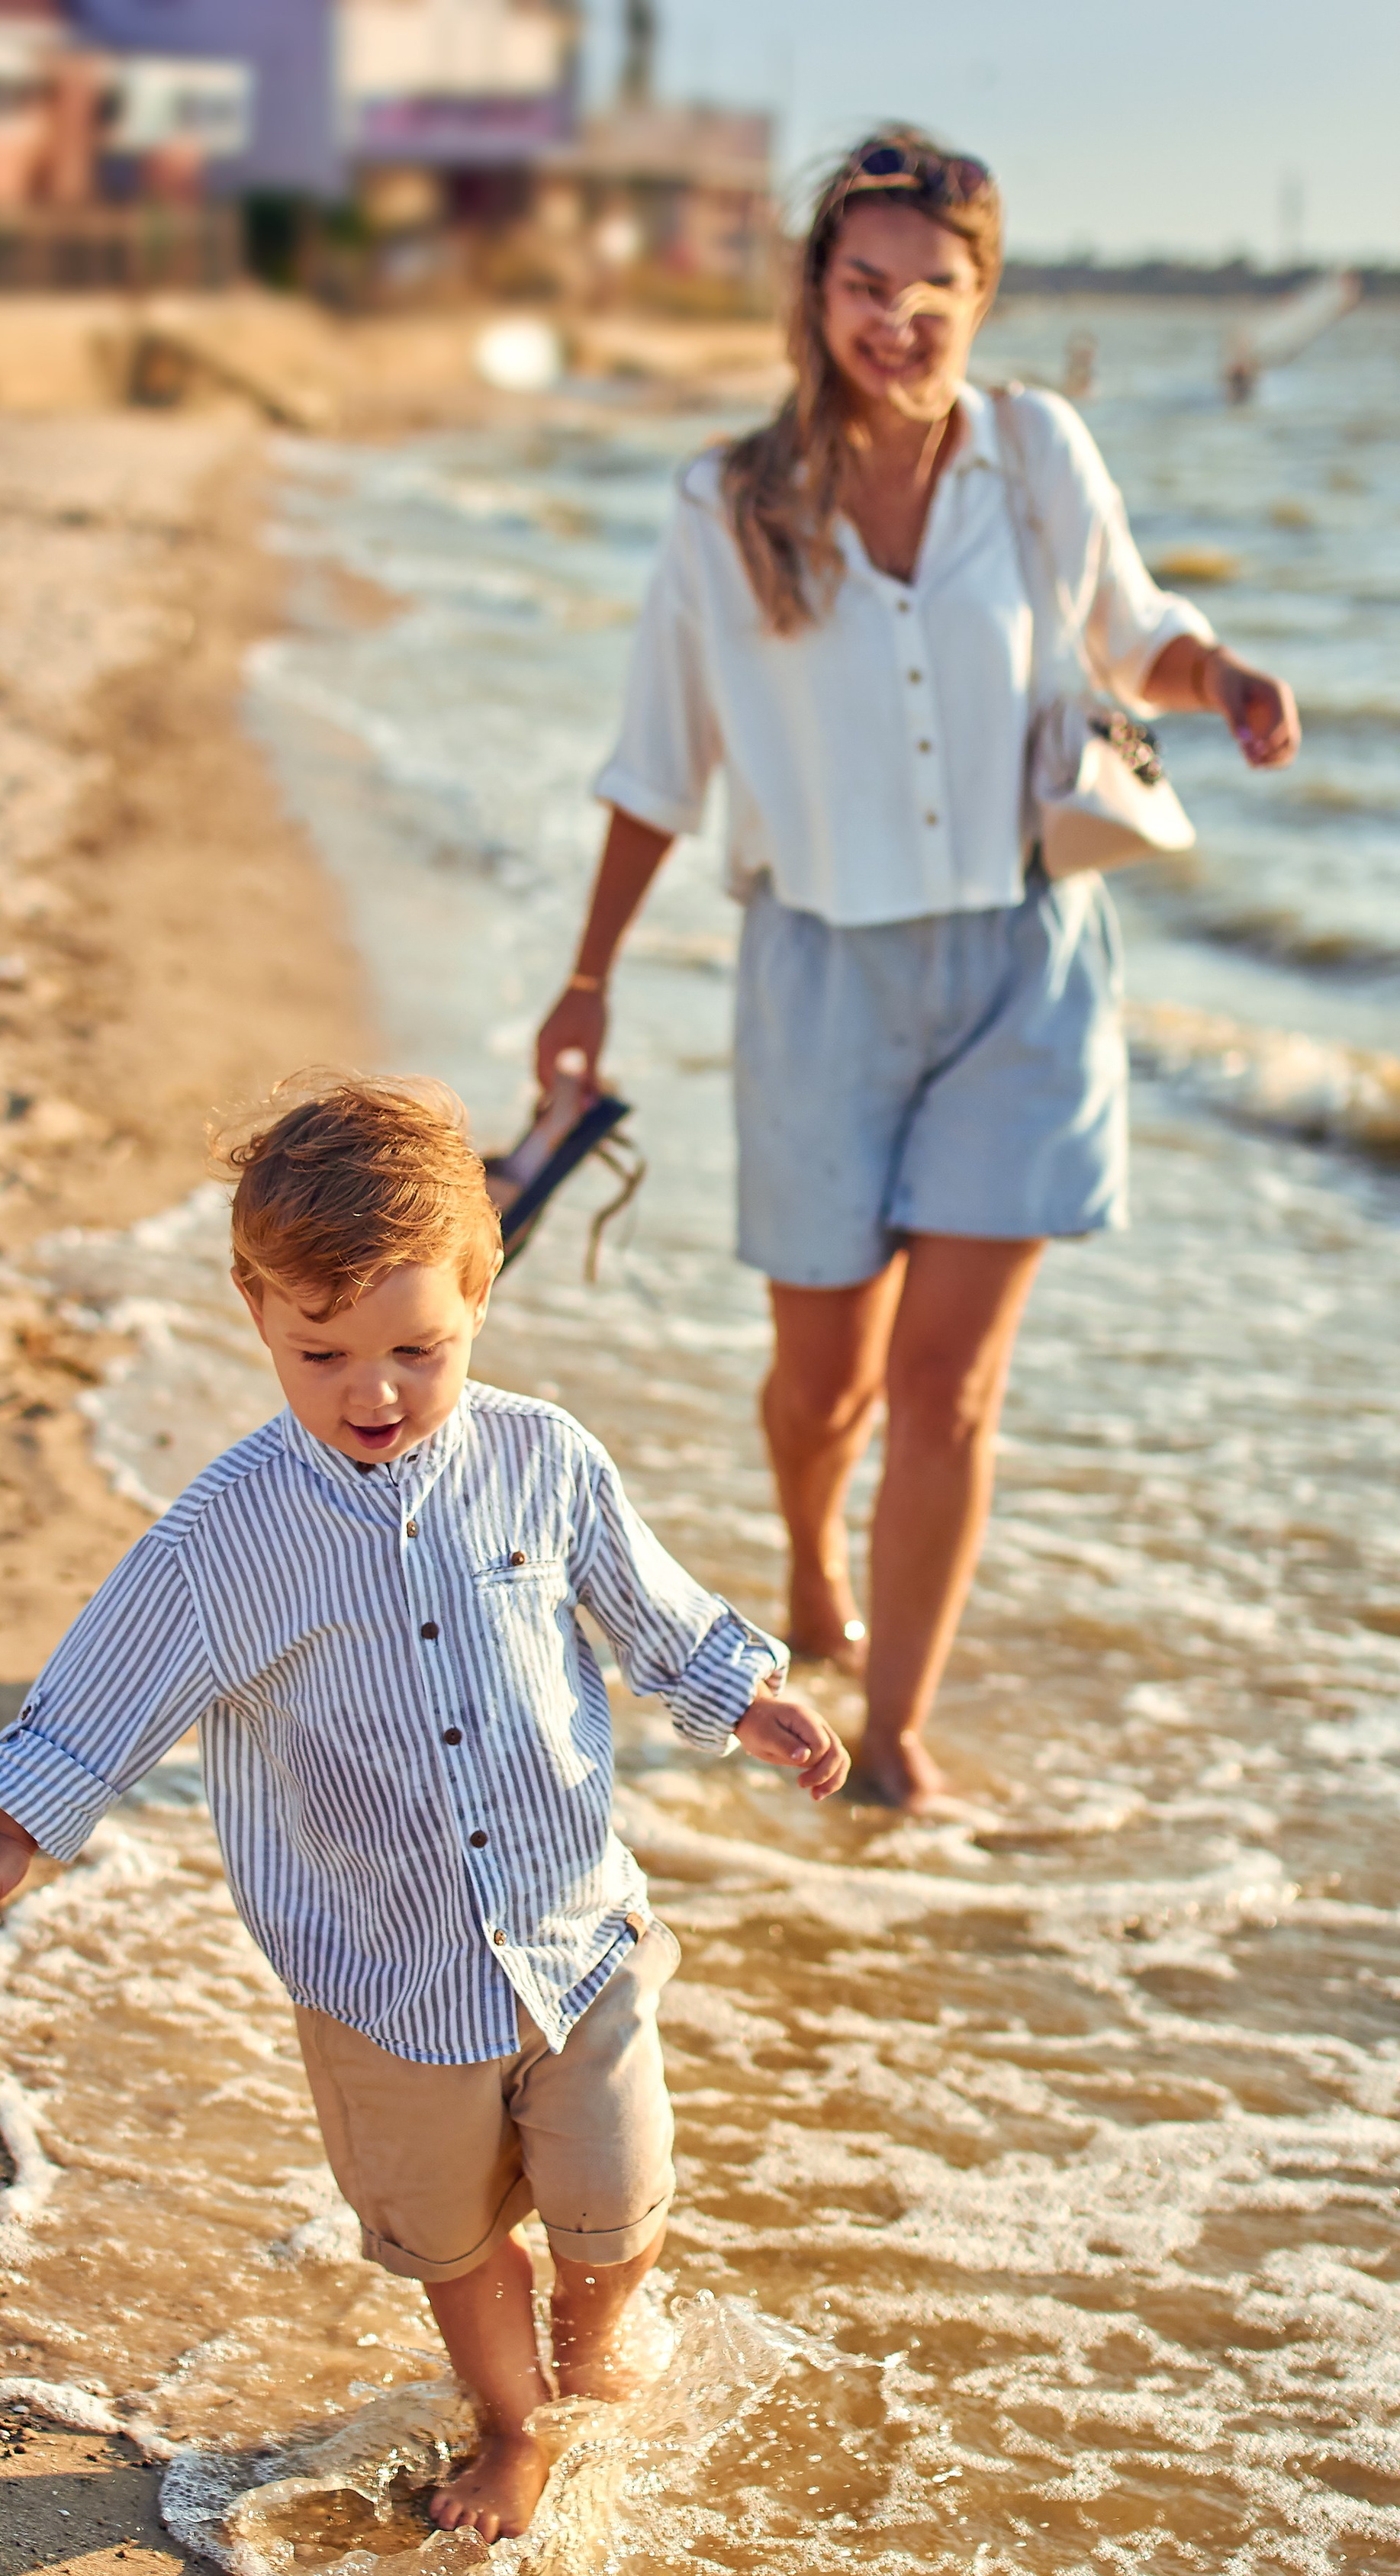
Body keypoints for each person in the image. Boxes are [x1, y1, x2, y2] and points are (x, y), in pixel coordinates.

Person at [0, 1078, 848, 2541]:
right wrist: (15, 1830)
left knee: (616, 2195)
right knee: (454, 2232)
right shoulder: (229, 1537)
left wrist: (747, 1698)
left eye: (417, 1350)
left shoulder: (543, 1460)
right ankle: (509, 2428)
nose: (373, 1392)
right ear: (258, 1316)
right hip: (382, 1968)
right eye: (325, 1352)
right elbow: (113, 1686)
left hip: (575, 1932)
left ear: (482, 1295)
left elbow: (648, 1608)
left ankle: (595, 2341)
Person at [534, 129, 1300, 1812]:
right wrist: (584, 983)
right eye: (861, 288)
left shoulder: (1034, 455)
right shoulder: (724, 503)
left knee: (947, 1384)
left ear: (980, 296)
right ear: (813, 296)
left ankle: (891, 1740)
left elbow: (1130, 629)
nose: (893, 323)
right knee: (829, 1385)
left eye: (927, 293)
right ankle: (808, 1549)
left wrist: (1221, 671)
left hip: (1023, 971)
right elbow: (655, 765)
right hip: (816, 977)